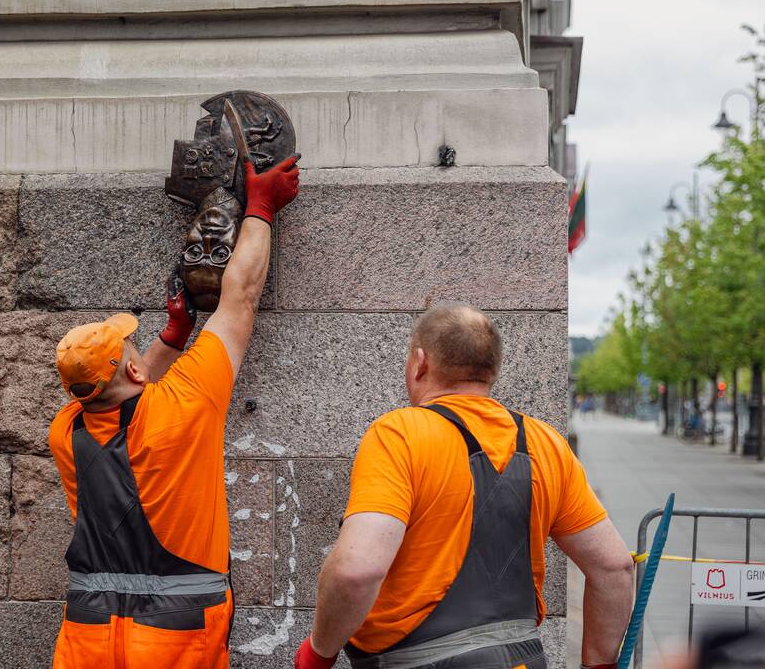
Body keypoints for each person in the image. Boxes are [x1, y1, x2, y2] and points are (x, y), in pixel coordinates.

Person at [47, 156, 300, 669]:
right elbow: (240, 300)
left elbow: (123, 396)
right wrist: (261, 206)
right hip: (177, 641)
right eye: (133, 348)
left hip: (88, 643)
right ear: (136, 372)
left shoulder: (66, 432)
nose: (141, 352)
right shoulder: (187, 403)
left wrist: (171, 337)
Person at [295, 304, 634, 669]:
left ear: (420, 362)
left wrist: (317, 654)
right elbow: (614, 567)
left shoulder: (399, 434)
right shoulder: (546, 443)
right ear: (490, 370)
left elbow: (355, 570)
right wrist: (599, 664)